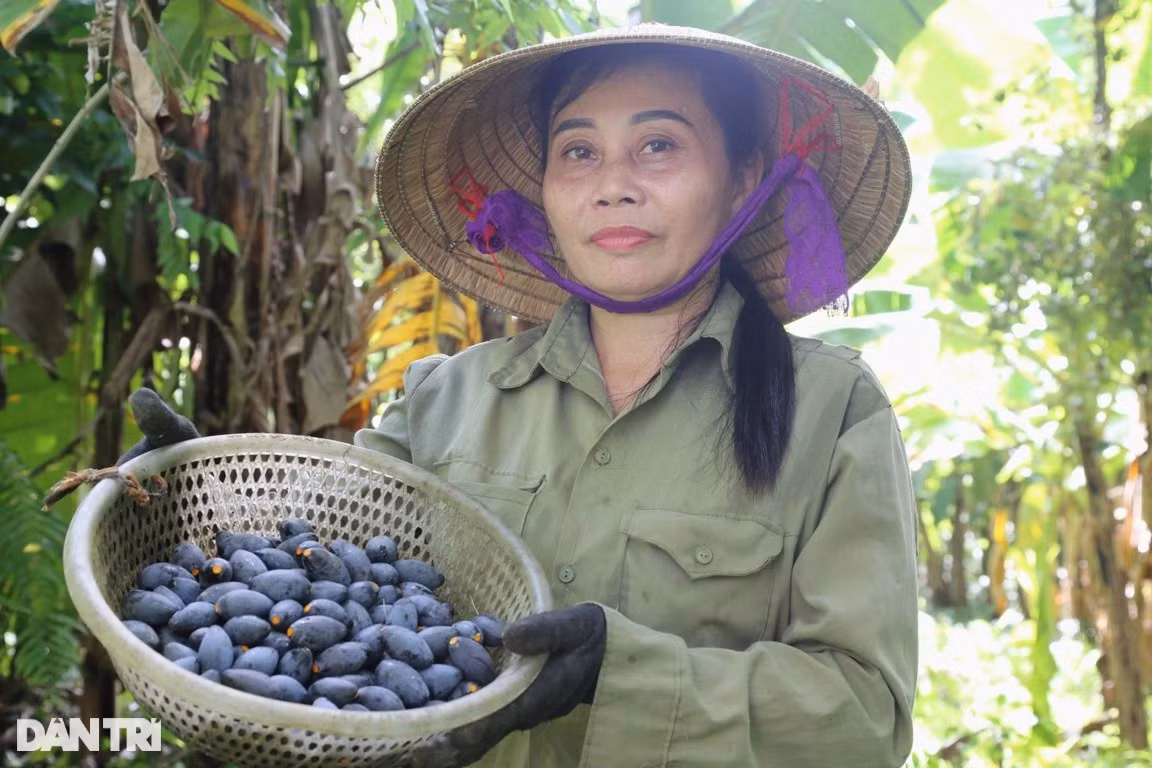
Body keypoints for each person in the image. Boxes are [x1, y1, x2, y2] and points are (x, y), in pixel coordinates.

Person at [122, 23, 919, 768]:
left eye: (659, 144)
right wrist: (194, 505)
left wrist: (623, 674)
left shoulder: (832, 412)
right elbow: (320, 568)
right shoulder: (445, 399)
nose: (613, 185)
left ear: (743, 176)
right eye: (578, 151)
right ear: (542, 187)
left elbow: (866, 718)